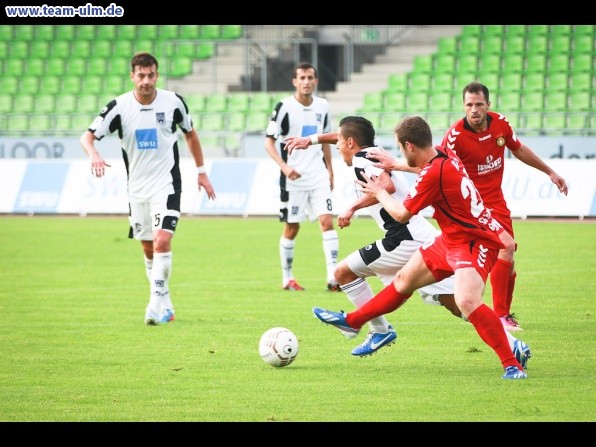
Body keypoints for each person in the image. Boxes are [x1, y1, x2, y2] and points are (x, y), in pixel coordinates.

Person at [286, 116, 531, 368]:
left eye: (402, 149)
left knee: (345, 272)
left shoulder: (367, 161)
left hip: (425, 238)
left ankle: (510, 360)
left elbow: (397, 204)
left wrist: (370, 197)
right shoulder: (441, 156)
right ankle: (513, 344)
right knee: (441, 297)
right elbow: (349, 138)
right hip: (441, 237)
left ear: (409, 146)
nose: (337, 146)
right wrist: (313, 140)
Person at [367, 82, 569, 331]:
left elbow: (518, 149)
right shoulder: (455, 136)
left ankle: (499, 312)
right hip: (470, 207)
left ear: (488, 105)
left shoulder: (501, 124)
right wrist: (398, 165)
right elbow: (432, 164)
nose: (474, 110)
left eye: (479, 104)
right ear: (464, 106)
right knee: (505, 249)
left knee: (509, 259)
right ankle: (501, 316)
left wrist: (549, 171)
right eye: (469, 105)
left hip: (496, 202)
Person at [80, 52, 216, 325]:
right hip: (136, 190)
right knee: (148, 249)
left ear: (157, 75)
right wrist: (93, 154)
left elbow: (190, 134)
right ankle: (165, 304)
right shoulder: (118, 107)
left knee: (162, 240)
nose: (146, 81)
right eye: (140, 76)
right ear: (132, 76)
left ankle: (153, 305)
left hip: (166, 185)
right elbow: (87, 136)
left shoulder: (173, 102)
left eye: (151, 75)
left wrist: (201, 172)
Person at [264, 62, 340, 292]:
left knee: (327, 222)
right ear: (295, 82)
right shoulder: (284, 107)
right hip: (294, 178)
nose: (306, 82)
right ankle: (287, 278)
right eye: (302, 78)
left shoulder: (323, 106)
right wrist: (284, 167)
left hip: (317, 175)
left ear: (316, 81)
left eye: (310, 77)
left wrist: (330, 169)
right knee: (292, 228)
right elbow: (269, 141)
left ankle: (333, 278)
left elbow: (325, 138)